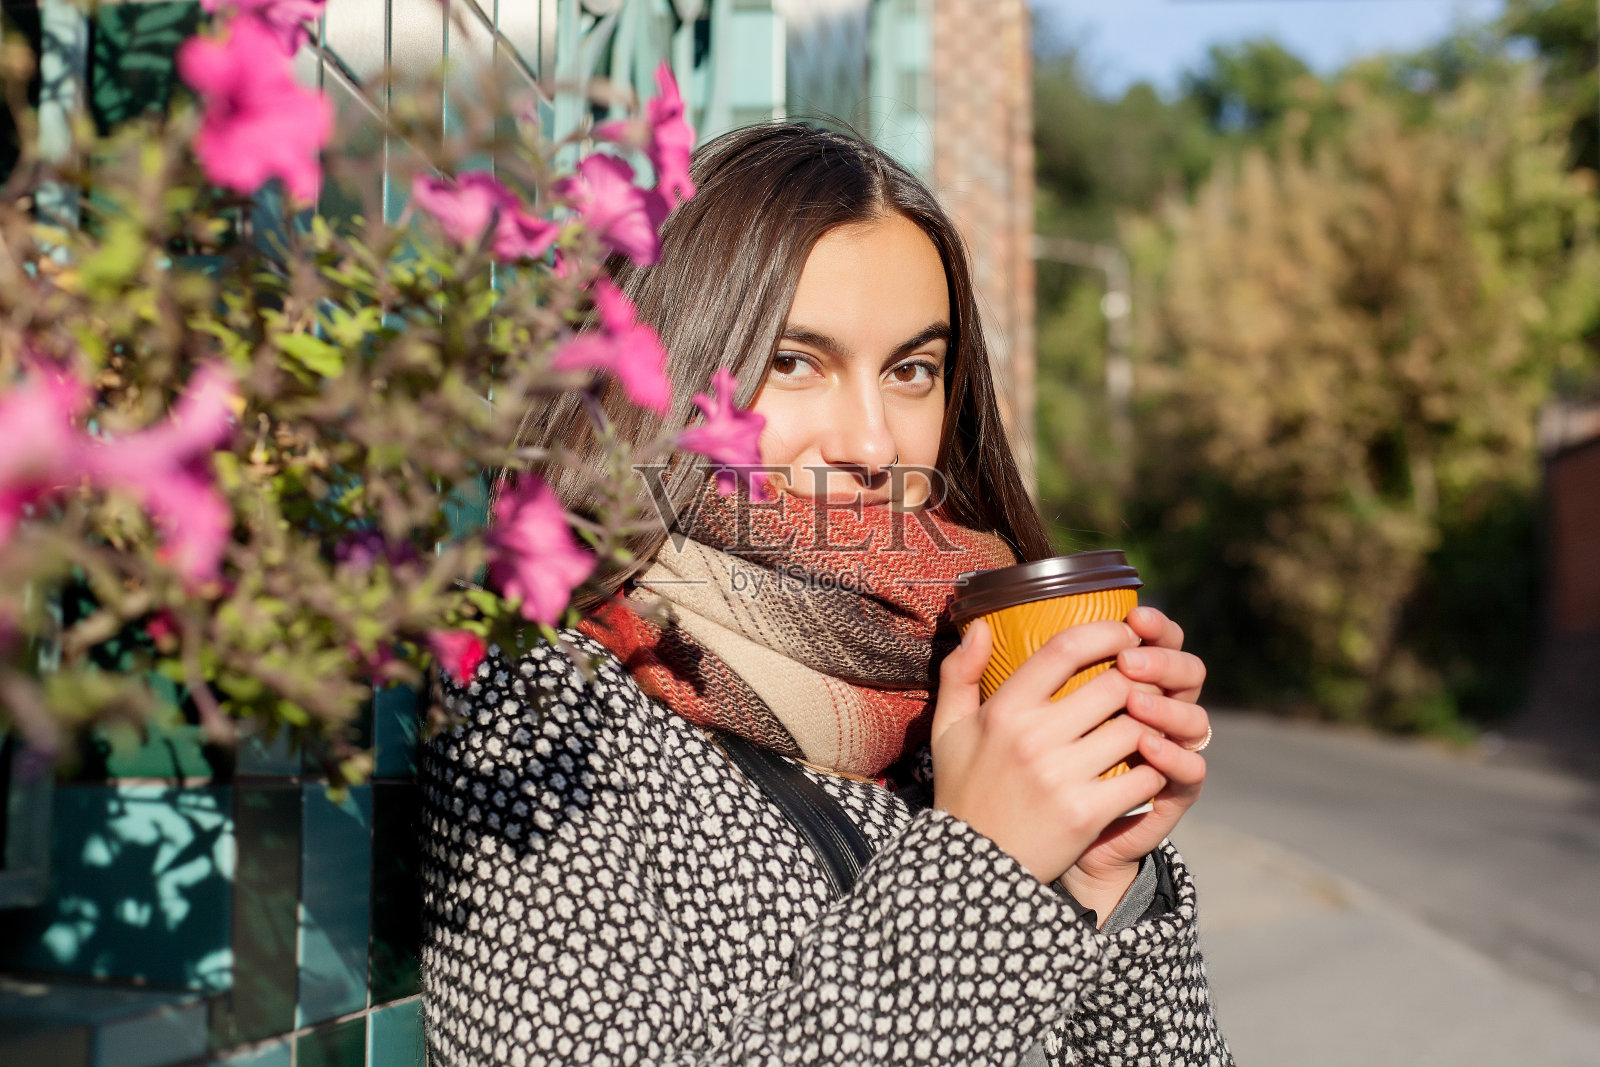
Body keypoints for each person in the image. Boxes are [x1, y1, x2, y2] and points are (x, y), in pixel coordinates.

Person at [420, 122, 1234, 1066]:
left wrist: (1100, 877)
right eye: (797, 361)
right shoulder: (544, 711)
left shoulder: (959, 691)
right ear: (672, 367)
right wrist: (984, 866)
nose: (873, 442)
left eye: (911, 371)